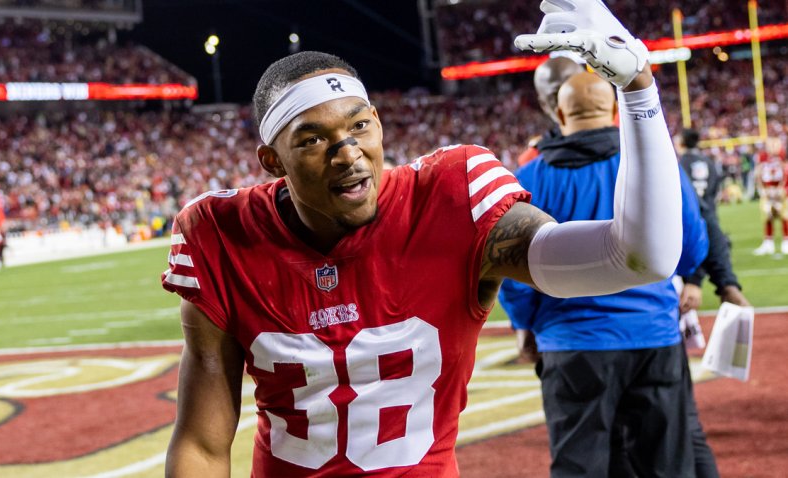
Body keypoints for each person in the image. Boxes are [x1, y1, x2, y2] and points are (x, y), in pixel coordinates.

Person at [161, 1, 682, 475]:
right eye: (313, 139)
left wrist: (638, 89)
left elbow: (635, 259)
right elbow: (203, 446)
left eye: (359, 126)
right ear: (273, 161)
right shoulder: (219, 233)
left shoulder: (453, 196)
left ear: (379, 124)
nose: (347, 152)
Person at [499, 72, 710, 477]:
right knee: (666, 466)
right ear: (616, 111)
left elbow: (512, 271)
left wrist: (524, 327)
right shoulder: (657, 167)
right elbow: (691, 248)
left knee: (580, 467)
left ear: (559, 112)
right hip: (653, 339)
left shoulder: (526, 180)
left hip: (570, 343)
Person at [677, 128, 750, 309]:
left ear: (682, 143)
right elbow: (713, 192)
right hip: (709, 217)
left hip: (691, 224)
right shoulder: (708, 161)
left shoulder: (679, 164)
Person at [753, 138, 788, 255]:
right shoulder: (763, 157)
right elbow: (758, 173)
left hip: (781, 192)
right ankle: (768, 243)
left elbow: (785, 172)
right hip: (767, 192)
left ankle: (786, 242)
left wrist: (782, 189)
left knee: (785, 216)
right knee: (767, 216)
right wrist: (762, 189)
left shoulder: (783, 155)